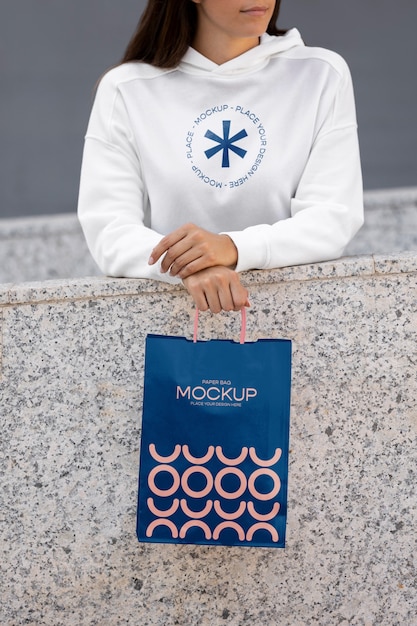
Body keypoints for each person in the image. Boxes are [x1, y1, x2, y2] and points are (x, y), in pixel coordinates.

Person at [77, 0, 363, 314]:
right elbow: (109, 229)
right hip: (177, 324)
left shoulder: (319, 75)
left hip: (298, 316)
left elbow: (332, 218)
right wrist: (190, 267)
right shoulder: (128, 89)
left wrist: (229, 249)